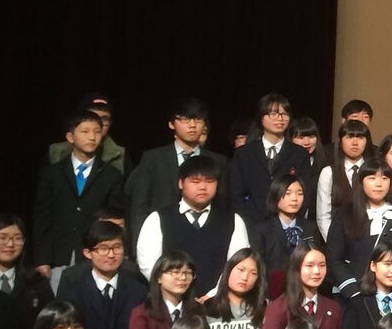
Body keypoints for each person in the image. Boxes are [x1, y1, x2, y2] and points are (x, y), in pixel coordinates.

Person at [135, 154, 250, 296]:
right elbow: (148, 264)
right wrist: (175, 292)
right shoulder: (158, 219)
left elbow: (239, 264)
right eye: (195, 181)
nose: (203, 187)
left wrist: (212, 296)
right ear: (181, 183)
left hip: (218, 301)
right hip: (169, 300)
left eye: (210, 181)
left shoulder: (233, 220)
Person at [33, 110, 127, 279]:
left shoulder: (111, 175)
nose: (92, 137)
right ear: (70, 137)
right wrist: (42, 259)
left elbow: (114, 217)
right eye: (85, 131)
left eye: (97, 132)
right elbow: (42, 218)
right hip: (58, 254)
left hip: (94, 254)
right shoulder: (52, 174)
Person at [56, 219, 146, 329]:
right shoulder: (74, 290)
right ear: (88, 253)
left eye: (117, 247)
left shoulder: (138, 290)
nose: (111, 255)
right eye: (103, 248)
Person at [124, 99, 226, 247]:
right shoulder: (153, 158)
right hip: (161, 235)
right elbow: (140, 206)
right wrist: (139, 245)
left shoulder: (218, 161)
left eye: (198, 119)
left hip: (205, 237)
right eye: (185, 119)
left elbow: (222, 204)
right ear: (171, 124)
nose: (192, 125)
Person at [325, 158, 392, 299]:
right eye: (372, 178)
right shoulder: (344, 214)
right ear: (361, 182)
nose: (379, 184)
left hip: (389, 295)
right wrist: (353, 292)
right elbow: (334, 259)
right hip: (351, 294)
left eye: (384, 178)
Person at [226, 95, 313, 224]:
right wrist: (251, 222)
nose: (280, 118)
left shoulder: (299, 154)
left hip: (287, 224)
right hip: (251, 225)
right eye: (273, 114)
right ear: (261, 117)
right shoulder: (244, 153)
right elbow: (236, 194)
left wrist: (286, 221)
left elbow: (305, 193)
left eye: (284, 114)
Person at [127, 250, 198, 329]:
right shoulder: (142, 315)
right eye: (175, 272)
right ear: (159, 277)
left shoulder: (198, 311)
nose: (183, 278)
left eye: (188, 273)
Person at [0, 214, 52, 329]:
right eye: (2, 238)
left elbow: (50, 322)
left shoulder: (37, 282)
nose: (10, 244)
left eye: (17, 238)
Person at [247, 175, 319, 291]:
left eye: (299, 193)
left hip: (305, 289)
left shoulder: (311, 227)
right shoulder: (261, 230)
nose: (294, 198)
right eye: (288, 193)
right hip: (271, 291)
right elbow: (259, 265)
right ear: (275, 196)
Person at [315, 118, 373, 241]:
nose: (355, 143)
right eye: (349, 137)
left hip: (369, 238)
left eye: (360, 137)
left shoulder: (374, 172)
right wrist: (334, 242)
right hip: (338, 238)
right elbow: (323, 215)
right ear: (340, 141)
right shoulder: (329, 173)